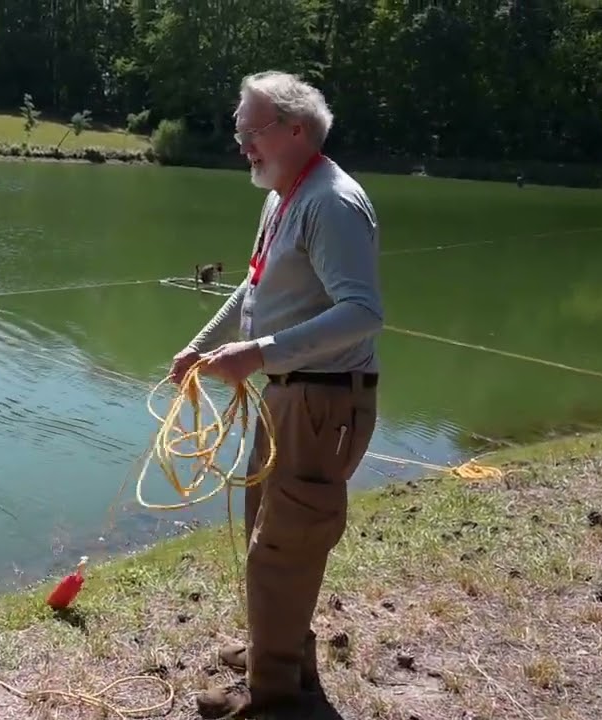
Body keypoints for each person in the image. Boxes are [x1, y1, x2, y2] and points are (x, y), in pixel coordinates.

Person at [169, 71, 383, 718]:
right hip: (282, 396)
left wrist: (257, 354)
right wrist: (202, 346)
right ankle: (282, 653)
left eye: (252, 131)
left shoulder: (331, 202)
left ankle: (271, 698)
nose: (242, 144)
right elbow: (254, 288)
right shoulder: (283, 196)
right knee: (267, 533)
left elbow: (363, 312)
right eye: (240, 131)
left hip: (320, 404)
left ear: (296, 130)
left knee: (280, 550)